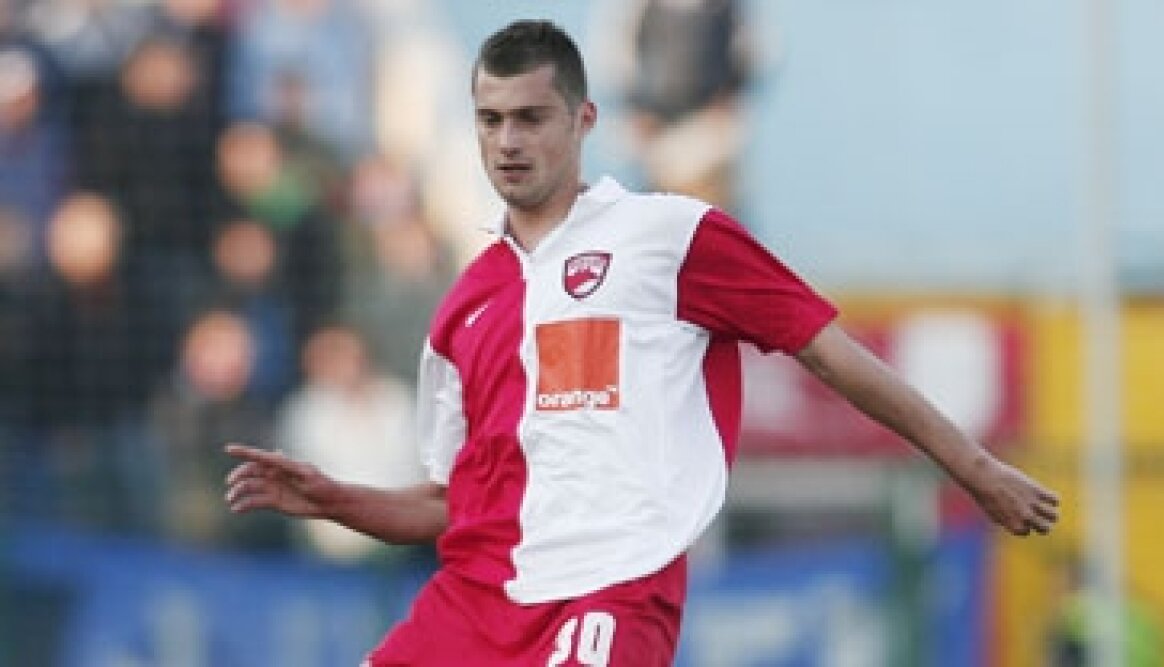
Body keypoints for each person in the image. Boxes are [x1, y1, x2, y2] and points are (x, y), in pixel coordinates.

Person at [224, 20, 1060, 666]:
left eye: (530, 117)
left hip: (608, 594)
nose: (508, 141)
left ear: (584, 119)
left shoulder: (668, 236)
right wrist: (335, 497)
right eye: (490, 120)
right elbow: (452, 502)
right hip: (474, 605)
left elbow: (828, 350)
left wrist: (975, 467)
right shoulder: (463, 309)